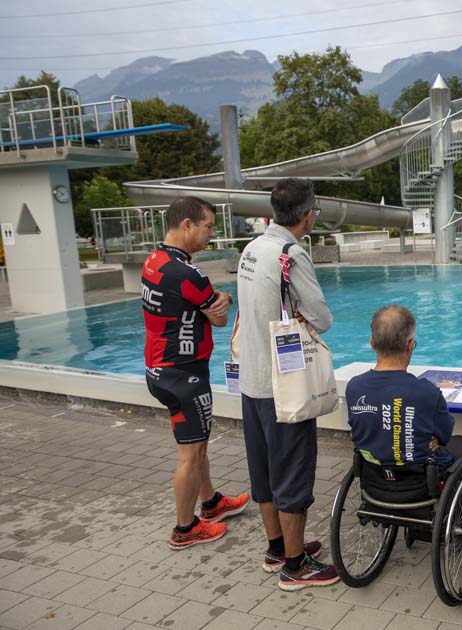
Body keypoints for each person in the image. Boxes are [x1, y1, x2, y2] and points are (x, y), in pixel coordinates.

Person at [236, 178, 339, 590]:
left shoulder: (252, 248)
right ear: (308, 214)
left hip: (252, 381)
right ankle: (295, 567)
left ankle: (276, 547)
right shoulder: (290, 254)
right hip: (284, 387)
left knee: (262, 472)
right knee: (293, 474)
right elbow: (322, 317)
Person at [141, 196, 249, 550]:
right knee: (191, 454)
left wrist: (208, 300)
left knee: (196, 445)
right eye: (208, 226)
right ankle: (185, 528)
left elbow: (192, 301)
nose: (211, 234)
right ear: (187, 225)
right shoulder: (188, 273)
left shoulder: (155, 262)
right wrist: (225, 300)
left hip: (160, 369)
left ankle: (212, 502)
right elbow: (217, 318)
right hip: (183, 375)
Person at [345, 305, 462, 473]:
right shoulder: (427, 392)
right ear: (410, 344)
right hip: (420, 479)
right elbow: (445, 434)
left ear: (372, 342)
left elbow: (364, 429)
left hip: (373, 477)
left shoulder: (354, 387)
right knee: (461, 444)